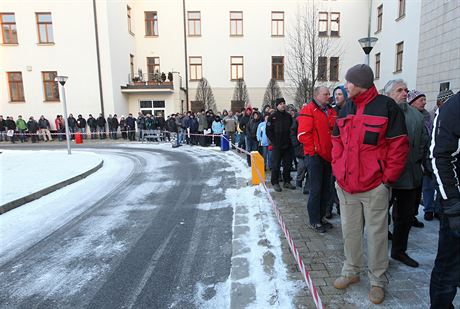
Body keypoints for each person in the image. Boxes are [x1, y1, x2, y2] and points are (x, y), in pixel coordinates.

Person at [332, 64, 409, 304]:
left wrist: (387, 180)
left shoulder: (386, 108)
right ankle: (351, 271)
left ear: (361, 84)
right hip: (346, 186)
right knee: (350, 232)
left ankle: (377, 280)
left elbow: (399, 146)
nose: (345, 86)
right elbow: (336, 143)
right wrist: (338, 171)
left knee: (376, 236)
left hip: (375, 186)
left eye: (349, 82)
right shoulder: (345, 109)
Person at [385, 80, 428, 268]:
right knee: (377, 216)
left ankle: (399, 251)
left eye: (406, 90)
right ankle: (376, 255)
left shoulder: (416, 117)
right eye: (399, 90)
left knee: (406, 217)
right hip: (384, 177)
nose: (404, 93)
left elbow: (422, 143)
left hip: (409, 175)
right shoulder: (381, 112)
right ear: (388, 94)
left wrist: (416, 161)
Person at [429, 92, 460, 308]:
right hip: (456, 203)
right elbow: (440, 157)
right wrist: (452, 205)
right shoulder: (455, 107)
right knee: (449, 267)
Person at [297, 86, 337, 233]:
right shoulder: (308, 110)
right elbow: (303, 135)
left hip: (328, 155)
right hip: (315, 156)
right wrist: (315, 149)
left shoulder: (331, 111)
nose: (328, 96)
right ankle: (314, 220)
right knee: (316, 188)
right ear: (317, 95)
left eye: (329, 94)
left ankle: (321, 217)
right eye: (325, 94)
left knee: (326, 188)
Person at [326, 85, 348, 218]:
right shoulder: (332, 111)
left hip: (346, 152)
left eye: (340, 94)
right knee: (331, 182)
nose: (337, 96)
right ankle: (328, 207)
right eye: (336, 94)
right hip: (333, 151)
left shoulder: (350, 110)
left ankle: (341, 206)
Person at [266, 97, 295, 192]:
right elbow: (268, 131)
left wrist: (290, 141)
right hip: (277, 146)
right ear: (277, 105)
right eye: (281, 103)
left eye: (284, 103)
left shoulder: (288, 116)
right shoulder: (272, 117)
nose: (283, 105)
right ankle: (275, 182)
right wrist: (274, 142)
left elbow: (292, 129)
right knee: (276, 165)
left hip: (287, 145)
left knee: (287, 165)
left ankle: (287, 181)